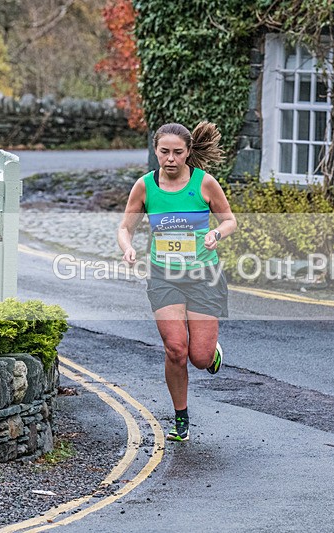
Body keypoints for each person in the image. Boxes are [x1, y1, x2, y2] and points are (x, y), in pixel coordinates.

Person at [118, 121, 237, 441]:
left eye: (177, 152)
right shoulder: (145, 186)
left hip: (203, 275)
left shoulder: (204, 183)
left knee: (198, 357)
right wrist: (128, 249)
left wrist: (215, 233)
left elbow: (229, 220)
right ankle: (180, 417)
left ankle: (211, 352)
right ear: (155, 150)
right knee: (175, 349)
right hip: (164, 276)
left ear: (188, 153)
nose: (170, 159)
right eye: (164, 151)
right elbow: (125, 227)